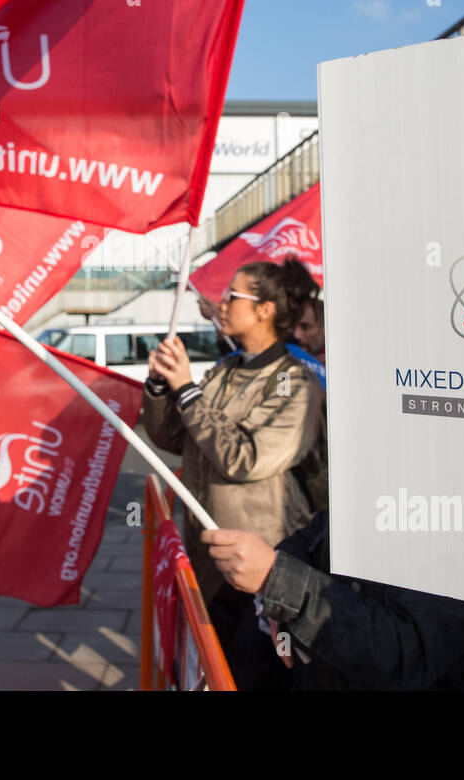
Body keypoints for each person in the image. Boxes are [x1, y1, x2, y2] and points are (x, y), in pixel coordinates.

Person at [142, 258, 325, 690]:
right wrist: (159, 388)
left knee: (252, 674)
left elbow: (247, 459)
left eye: (232, 297)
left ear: (264, 310)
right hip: (209, 560)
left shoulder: (295, 382)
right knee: (208, 667)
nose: (220, 304)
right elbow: (175, 437)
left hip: (264, 564)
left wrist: (187, 390)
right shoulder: (225, 369)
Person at [202, 512, 464, 690]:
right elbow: (315, 534)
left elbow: (402, 650)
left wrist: (279, 582)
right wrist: (277, 591)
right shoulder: (377, 481)